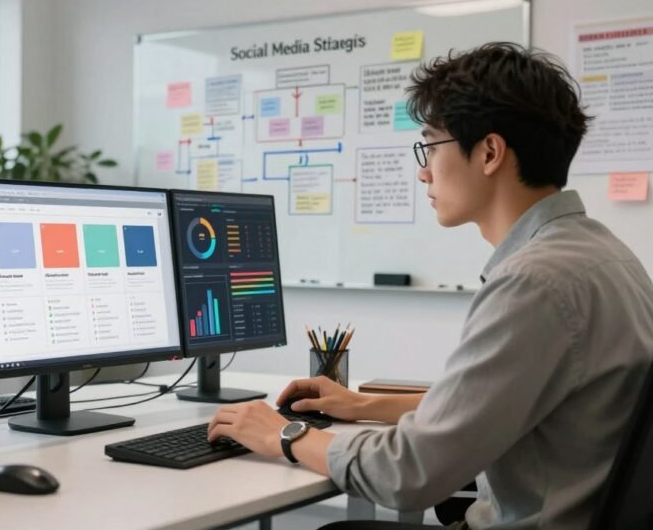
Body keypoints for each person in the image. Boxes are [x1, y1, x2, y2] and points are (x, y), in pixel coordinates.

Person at [206, 42, 653, 529]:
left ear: (489, 152)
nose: (423, 171)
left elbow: (409, 473)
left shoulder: (534, 283)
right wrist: (364, 405)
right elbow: (494, 406)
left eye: (430, 147)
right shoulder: (602, 255)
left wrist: (285, 434)